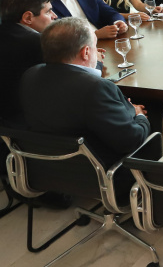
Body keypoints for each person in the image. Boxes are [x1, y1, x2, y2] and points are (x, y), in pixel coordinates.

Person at [20, 17, 150, 166]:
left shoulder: (30, 75)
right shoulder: (95, 88)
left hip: (45, 167)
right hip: (100, 169)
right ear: (86, 52)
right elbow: (131, 141)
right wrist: (139, 115)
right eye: (95, 46)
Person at [0, 0, 56, 123]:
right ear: (28, 18)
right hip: (25, 121)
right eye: (48, 12)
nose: (54, 16)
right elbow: (69, 77)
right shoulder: (40, 42)